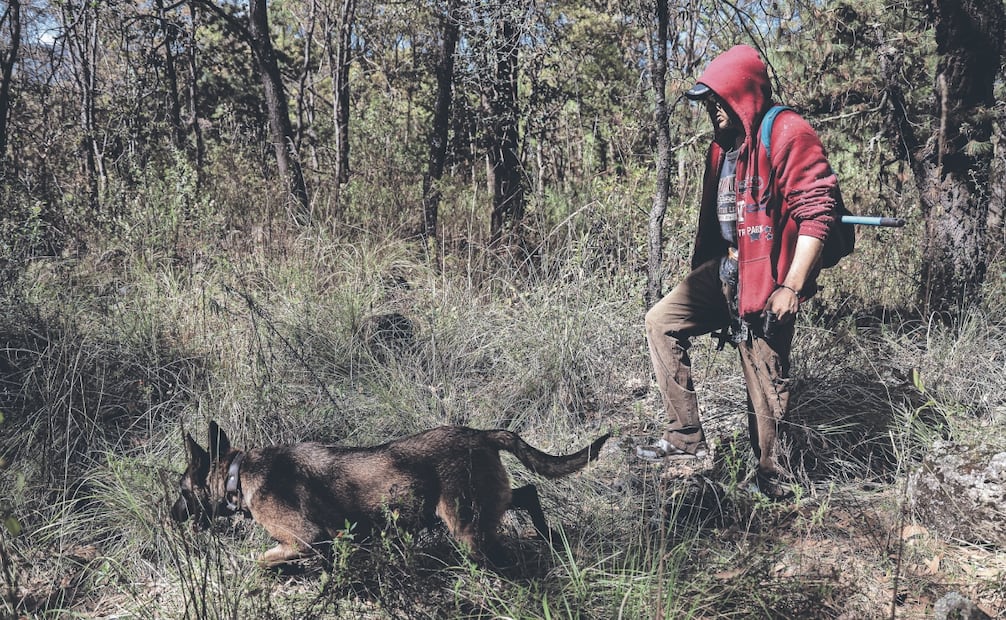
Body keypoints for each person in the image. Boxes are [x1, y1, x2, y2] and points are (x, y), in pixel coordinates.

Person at [637, 44, 841, 499]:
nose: (712, 110)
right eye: (707, 102)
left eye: (717, 100)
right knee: (661, 321)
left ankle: (775, 482)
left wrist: (791, 284)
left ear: (742, 93)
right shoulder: (721, 148)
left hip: (769, 279)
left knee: (766, 387)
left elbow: (817, 213)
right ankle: (684, 440)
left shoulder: (788, 131)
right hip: (725, 270)